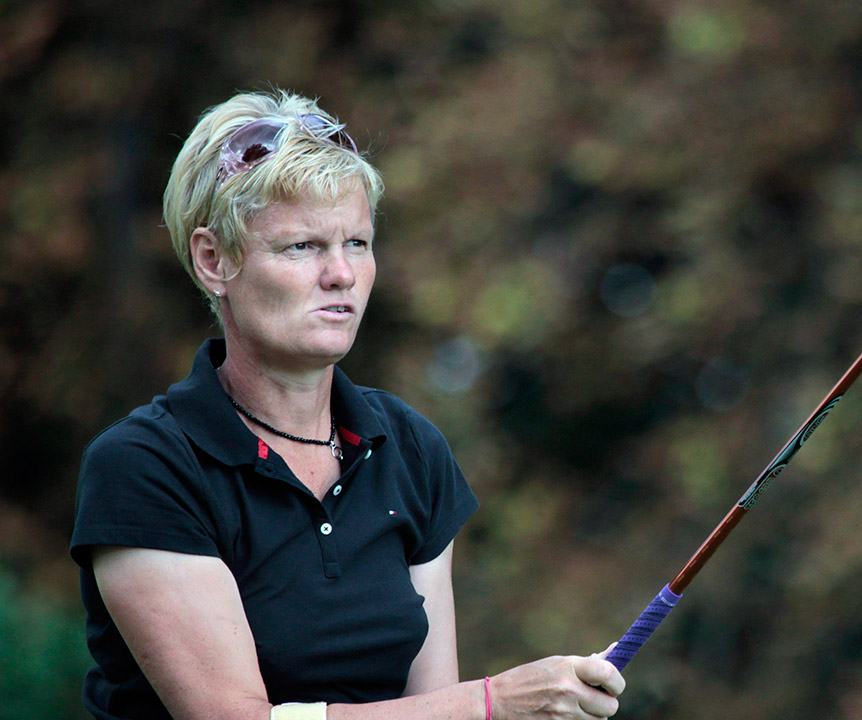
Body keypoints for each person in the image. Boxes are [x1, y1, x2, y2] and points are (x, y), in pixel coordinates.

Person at [70, 90, 625, 720]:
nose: (341, 274)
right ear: (212, 259)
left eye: (357, 243)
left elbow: (432, 710)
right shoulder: (143, 466)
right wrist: (494, 702)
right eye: (302, 247)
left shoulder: (410, 447)